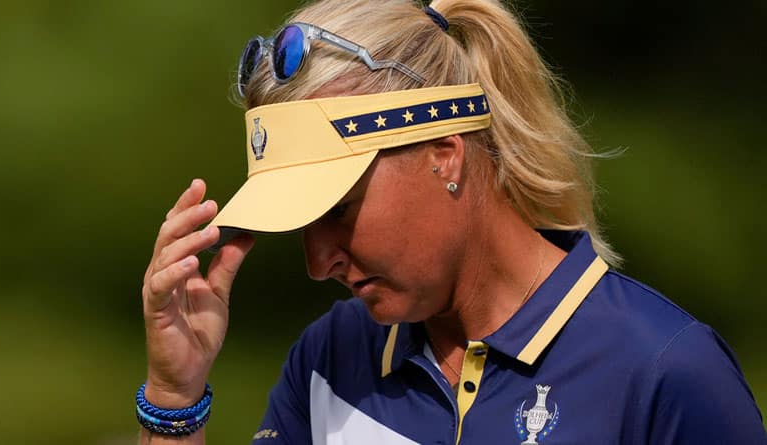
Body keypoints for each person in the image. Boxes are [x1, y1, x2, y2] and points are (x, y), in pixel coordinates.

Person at [136, 0, 766, 443]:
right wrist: (174, 397)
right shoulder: (331, 357)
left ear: (445, 155)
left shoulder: (664, 373)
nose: (317, 260)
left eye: (337, 210)